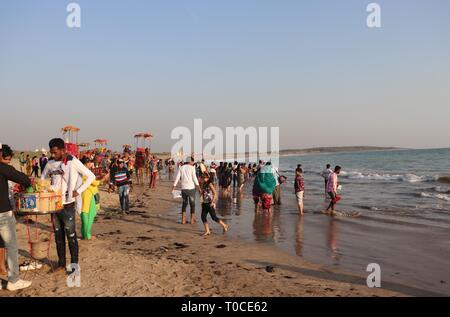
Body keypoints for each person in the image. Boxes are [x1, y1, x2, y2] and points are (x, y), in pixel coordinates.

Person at [41, 138, 95, 272]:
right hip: (54, 205)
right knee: (58, 237)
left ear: (63, 150)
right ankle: (61, 264)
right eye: (51, 152)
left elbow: (91, 176)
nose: (53, 155)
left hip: (68, 205)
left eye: (55, 152)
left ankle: (74, 266)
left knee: (71, 237)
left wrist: (79, 190)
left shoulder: (73, 162)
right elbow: (42, 179)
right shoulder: (50, 163)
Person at [0, 144, 32, 291]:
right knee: (11, 246)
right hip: (2, 214)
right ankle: (13, 280)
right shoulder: (2, 167)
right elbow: (24, 179)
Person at [172, 157, 201, 225]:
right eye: (192, 162)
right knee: (192, 205)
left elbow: (177, 178)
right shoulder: (192, 168)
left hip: (184, 189)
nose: (193, 163)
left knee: (184, 204)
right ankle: (191, 220)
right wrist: (199, 187)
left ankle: (183, 220)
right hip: (191, 189)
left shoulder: (181, 167)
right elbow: (194, 178)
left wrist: (173, 186)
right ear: (190, 161)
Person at [80, 157, 100, 240]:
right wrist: (103, 179)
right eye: (89, 163)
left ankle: (84, 234)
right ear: (86, 163)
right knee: (89, 216)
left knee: (84, 215)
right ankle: (87, 235)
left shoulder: (80, 171)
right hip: (88, 195)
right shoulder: (85, 172)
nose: (90, 164)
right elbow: (95, 182)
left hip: (83, 195)